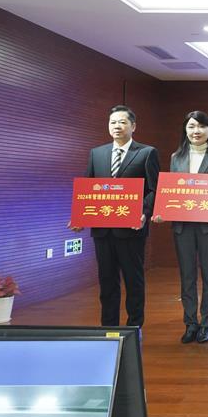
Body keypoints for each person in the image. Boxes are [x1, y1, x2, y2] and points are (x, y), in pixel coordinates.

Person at [69, 105, 160, 327]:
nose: (117, 126)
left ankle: (134, 328)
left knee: (133, 281)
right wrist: (79, 218)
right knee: (107, 281)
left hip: (132, 229)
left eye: (122, 122)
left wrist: (144, 213)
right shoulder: (96, 153)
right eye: (113, 122)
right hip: (102, 231)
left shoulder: (146, 152)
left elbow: (154, 189)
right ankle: (108, 328)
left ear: (133, 126)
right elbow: (88, 189)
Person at [152, 111, 208, 344]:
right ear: (185, 130)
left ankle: (206, 324)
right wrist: (162, 211)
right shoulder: (176, 157)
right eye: (191, 126)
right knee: (186, 276)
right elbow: (171, 190)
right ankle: (190, 323)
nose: (196, 131)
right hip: (183, 227)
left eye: (201, 126)